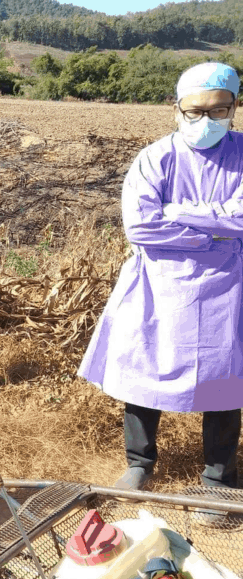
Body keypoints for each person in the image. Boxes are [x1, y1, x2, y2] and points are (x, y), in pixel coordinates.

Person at [78, 63, 243, 520]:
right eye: (195, 111)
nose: (206, 120)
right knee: (144, 369)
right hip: (159, 286)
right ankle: (139, 463)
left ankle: (219, 480)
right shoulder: (155, 158)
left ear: (234, 108)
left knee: (226, 380)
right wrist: (214, 234)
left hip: (228, 289)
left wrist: (180, 212)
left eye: (219, 110)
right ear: (176, 110)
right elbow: (142, 226)